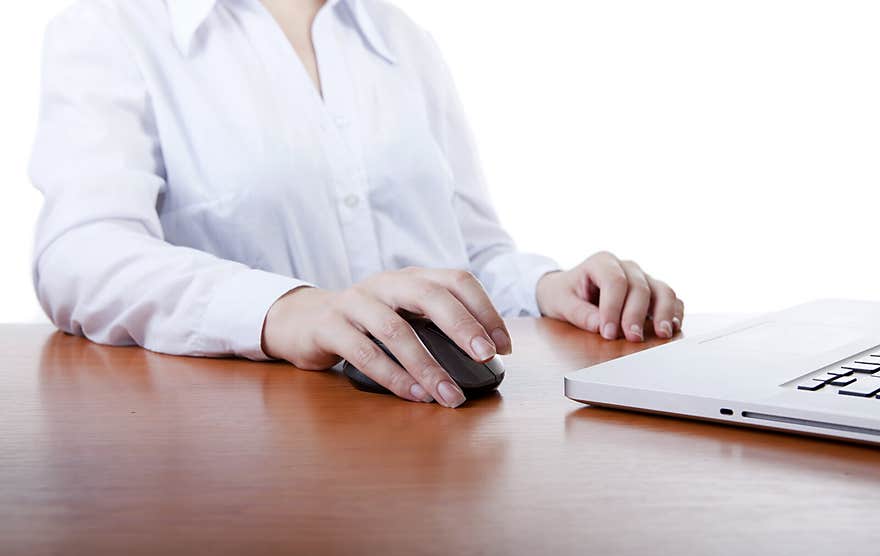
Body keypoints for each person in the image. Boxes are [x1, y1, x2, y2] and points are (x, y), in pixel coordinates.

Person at [30, 0, 684, 408]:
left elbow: (470, 254)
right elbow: (81, 254)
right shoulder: (112, 28)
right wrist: (289, 309)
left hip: (435, 438)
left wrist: (551, 286)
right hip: (247, 449)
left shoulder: (402, 38)